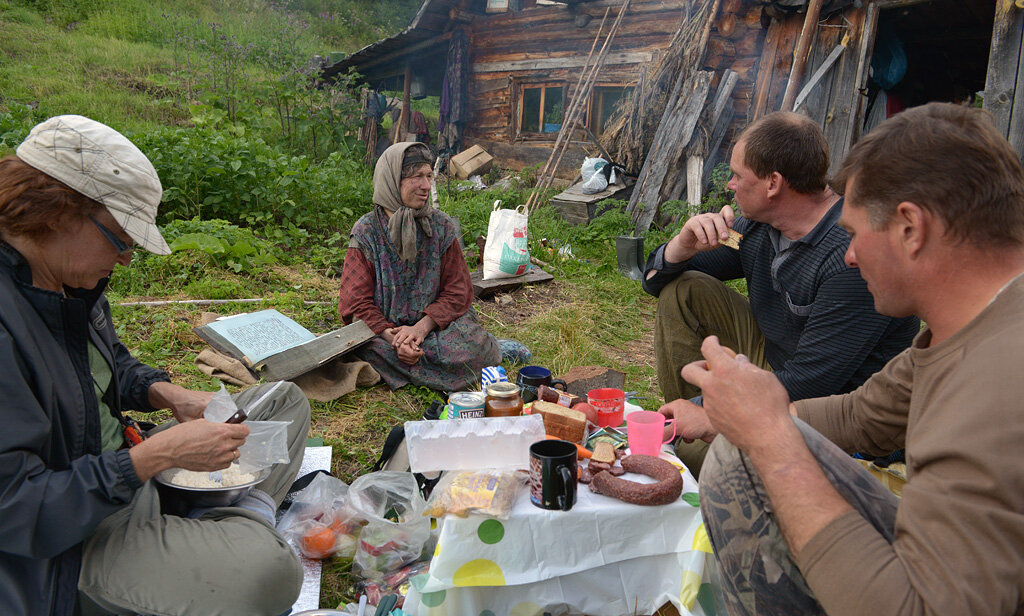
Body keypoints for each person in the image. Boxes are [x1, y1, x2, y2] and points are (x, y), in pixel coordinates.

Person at [668, 102, 1024, 615]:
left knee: (751, 456)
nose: (849, 254)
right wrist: (738, 417)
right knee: (739, 453)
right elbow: (861, 416)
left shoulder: (995, 388)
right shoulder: (966, 329)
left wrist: (769, 438)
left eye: (856, 235)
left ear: (910, 229)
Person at [0, 115, 311, 616]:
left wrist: (164, 394)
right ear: (58, 212)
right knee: (270, 574)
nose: (125, 260)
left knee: (283, 402)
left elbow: (108, 368)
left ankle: (214, 523)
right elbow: (16, 511)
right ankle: (230, 527)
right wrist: (152, 459)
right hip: (68, 544)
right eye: (120, 239)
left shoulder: (70, 279)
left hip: (128, 471)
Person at [643, 111, 918, 476]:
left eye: (738, 176)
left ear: (773, 183)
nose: (730, 186)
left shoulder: (849, 259)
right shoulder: (757, 226)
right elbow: (653, 282)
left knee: (712, 467)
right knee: (685, 289)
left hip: (833, 412)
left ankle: (690, 439)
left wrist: (711, 412)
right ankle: (679, 423)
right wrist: (682, 245)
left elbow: (810, 383)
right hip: (775, 363)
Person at [339, 142, 514, 392]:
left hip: (435, 327)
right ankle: (419, 360)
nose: (426, 185)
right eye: (416, 177)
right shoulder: (366, 232)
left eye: (429, 176)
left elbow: (458, 290)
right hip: (386, 332)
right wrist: (394, 337)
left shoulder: (441, 227)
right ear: (391, 180)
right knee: (364, 348)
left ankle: (401, 369)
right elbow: (356, 301)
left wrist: (421, 328)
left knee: (472, 344)